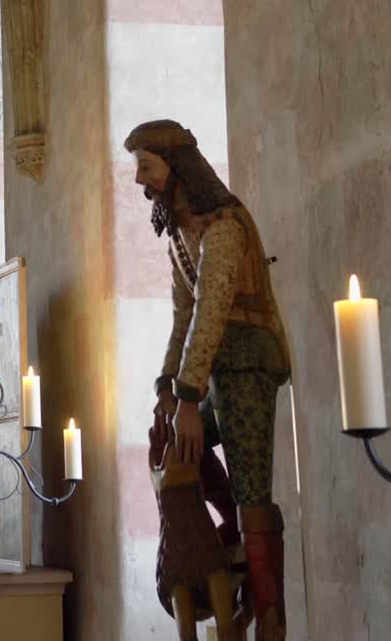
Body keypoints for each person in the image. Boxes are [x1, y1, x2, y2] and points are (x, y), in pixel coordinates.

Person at [128, 119, 291, 640]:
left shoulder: (223, 225)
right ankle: (227, 542)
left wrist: (189, 397)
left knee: (250, 488)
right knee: (169, 447)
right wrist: (165, 391)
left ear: (177, 168)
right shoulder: (182, 232)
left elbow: (212, 311)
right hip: (211, 373)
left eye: (146, 167)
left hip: (245, 362)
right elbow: (182, 317)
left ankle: (267, 614)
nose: (140, 179)